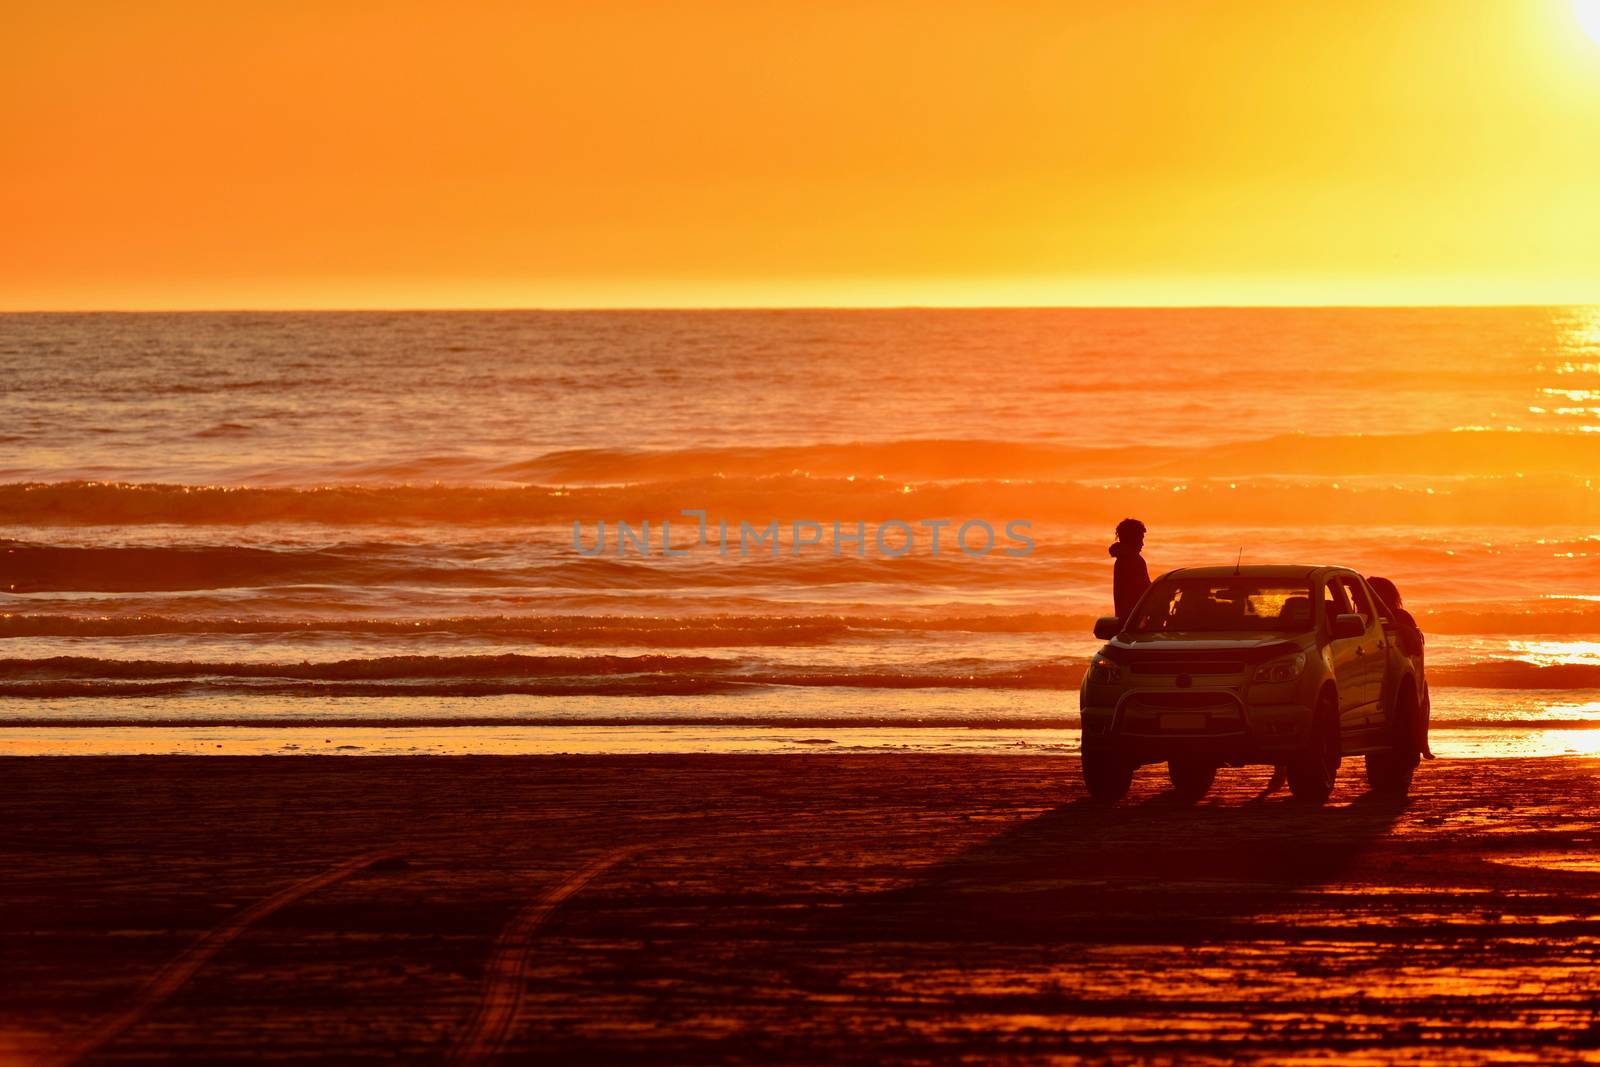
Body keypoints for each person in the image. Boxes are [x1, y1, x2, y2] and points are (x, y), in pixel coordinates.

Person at [1367, 575, 1434, 760]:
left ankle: (1420, 745)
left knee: (1416, 709)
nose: (1357, 599)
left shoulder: (1400, 616)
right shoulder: (1365, 618)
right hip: (1380, 680)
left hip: (1403, 677)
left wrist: (1399, 628)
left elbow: (1415, 644)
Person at [1109, 518, 1150, 621]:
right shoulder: (1132, 560)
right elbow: (1144, 590)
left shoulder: (1122, 559)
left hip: (1126, 621)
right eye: (1140, 538)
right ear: (1133, 538)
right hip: (1135, 621)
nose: (1142, 543)